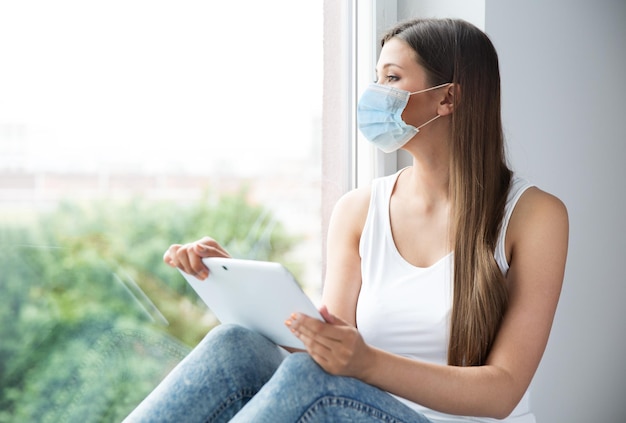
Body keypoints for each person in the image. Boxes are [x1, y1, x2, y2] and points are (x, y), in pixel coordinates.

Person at [123, 18, 568, 423]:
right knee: (233, 345)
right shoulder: (359, 210)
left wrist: (368, 363)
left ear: (447, 97)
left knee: (306, 379)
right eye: (376, 79)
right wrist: (231, 285)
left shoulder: (533, 216)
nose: (374, 94)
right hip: (357, 411)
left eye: (391, 78)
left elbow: (503, 392)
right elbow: (324, 349)